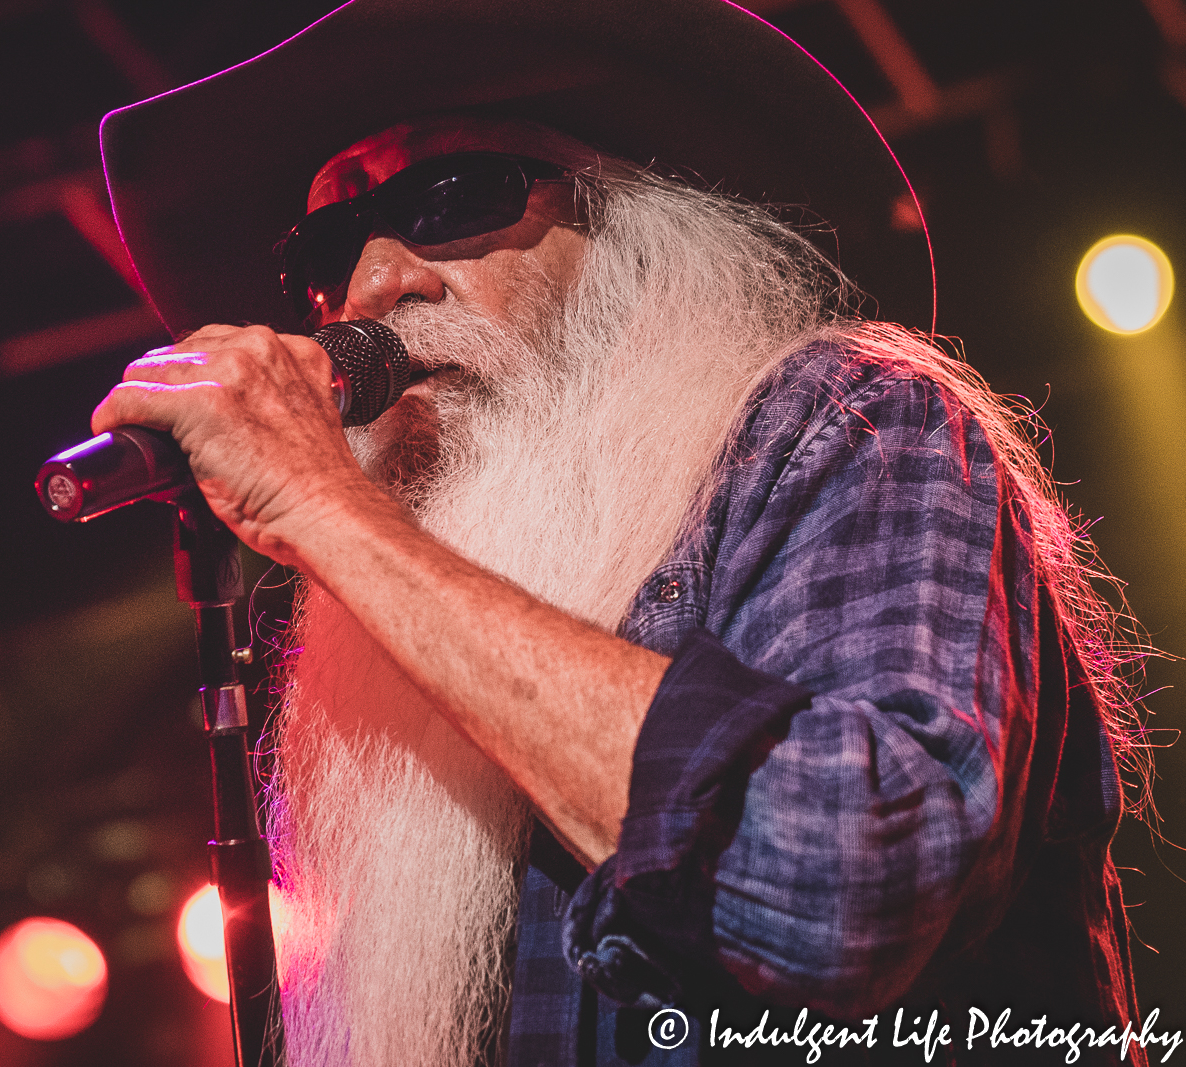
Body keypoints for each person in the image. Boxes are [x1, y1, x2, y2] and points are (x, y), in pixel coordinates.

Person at [88, 1, 1149, 1064]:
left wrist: (327, 508)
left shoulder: (851, 420)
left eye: (447, 197)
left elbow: (840, 882)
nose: (370, 288)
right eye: (322, 248)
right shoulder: (401, 625)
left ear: (636, 223)